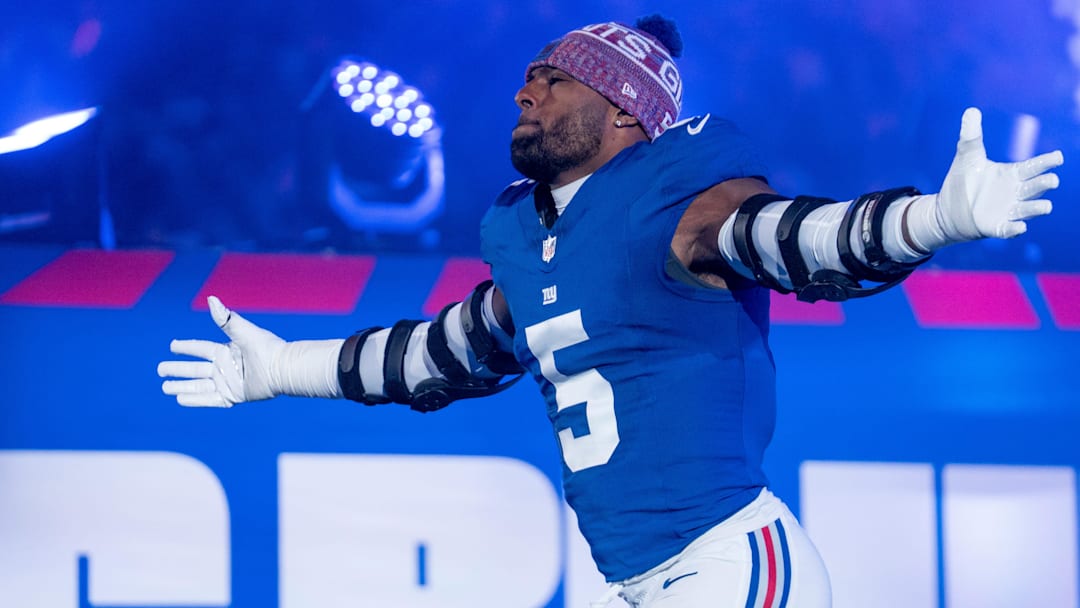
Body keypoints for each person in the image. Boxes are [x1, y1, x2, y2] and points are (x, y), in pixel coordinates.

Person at [158, 15, 1063, 608]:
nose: (527, 92)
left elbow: (792, 239)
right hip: (636, 582)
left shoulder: (677, 200)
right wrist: (284, 369)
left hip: (728, 561)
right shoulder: (535, 234)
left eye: (555, 80)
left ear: (625, 112)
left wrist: (931, 221)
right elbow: (441, 354)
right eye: (529, 77)